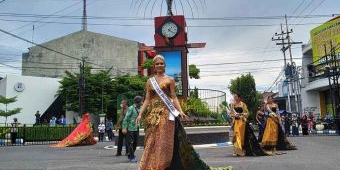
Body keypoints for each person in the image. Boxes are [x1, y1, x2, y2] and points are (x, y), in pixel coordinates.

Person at [135, 54, 232, 170]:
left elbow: (174, 97)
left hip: (167, 114)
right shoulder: (150, 81)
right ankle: (149, 165)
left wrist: (180, 111)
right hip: (152, 115)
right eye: (157, 64)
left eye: (161, 63)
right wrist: (140, 114)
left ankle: (161, 165)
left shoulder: (170, 80)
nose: (159, 65)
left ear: (164, 65)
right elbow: (147, 99)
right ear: (154, 66)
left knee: (163, 142)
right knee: (151, 141)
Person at [122, 96, 143, 163]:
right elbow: (126, 118)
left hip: (136, 128)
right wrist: (124, 128)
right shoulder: (131, 108)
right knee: (130, 143)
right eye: (141, 101)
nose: (142, 102)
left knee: (135, 143)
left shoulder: (140, 108)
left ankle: (130, 154)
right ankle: (132, 156)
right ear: (138, 102)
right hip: (130, 128)